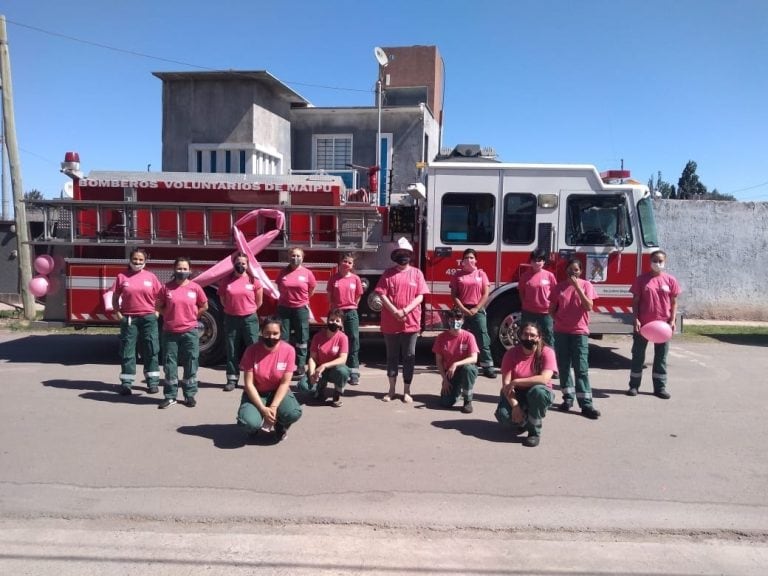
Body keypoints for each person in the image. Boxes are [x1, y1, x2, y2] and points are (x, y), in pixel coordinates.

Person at [374, 237, 429, 403]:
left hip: (411, 322)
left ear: (410, 255)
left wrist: (405, 310)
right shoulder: (388, 273)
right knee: (391, 357)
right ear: (394, 255)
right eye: (400, 253)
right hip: (390, 323)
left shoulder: (417, 273)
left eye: (406, 253)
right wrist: (395, 311)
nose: (403, 256)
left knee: (409, 356)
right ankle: (391, 390)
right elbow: (382, 295)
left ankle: (407, 391)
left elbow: (420, 296)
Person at [548, 257, 601, 419]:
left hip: (579, 332)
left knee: (581, 368)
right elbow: (551, 310)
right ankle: (568, 398)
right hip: (561, 332)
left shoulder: (586, 285)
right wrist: (559, 320)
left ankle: (586, 404)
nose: (573, 272)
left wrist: (577, 287)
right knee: (564, 367)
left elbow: (589, 306)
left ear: (581, 271)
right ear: (566, 271)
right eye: (570, 269)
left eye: (576, 270)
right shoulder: (559, 288)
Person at [237, 317, 303, 442]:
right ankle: (254, 425)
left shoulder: (289, 350)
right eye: (267, 333)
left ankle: (280, 425)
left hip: (277, 392)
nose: (271, 337)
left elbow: (285, 383)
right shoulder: (251, 350)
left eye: (275, 333)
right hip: (257, 393)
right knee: (248, 422)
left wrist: (273, 407)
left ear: (281, 334)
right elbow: (248, 384)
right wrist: (263, 409)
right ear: (261, 332)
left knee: (293, 413)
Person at [628, 249, 681, 399]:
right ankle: (633, 386)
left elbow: (674, 302)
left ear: (665, 262)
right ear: (650, 262)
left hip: (663, 325)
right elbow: (635, 302)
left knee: (661, 357)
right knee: (638, 355)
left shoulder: (670, 280)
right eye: (655, 260)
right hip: (643, 324)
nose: (657, 263)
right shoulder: (641, 280)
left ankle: (660, 388)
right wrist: (636, 318)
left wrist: (672, 320)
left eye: (660, 261)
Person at [156, 257, 208, 409]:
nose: (182, 271)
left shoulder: (195, 288)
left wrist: (193, 317)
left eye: (185, 269)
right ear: (174, 269)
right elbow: (158, 306)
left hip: (190, 332)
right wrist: (167, 314)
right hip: (170, 332)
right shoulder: (166, 288)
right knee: (170, 364)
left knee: (191, 362)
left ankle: (189, 395)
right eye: (179, 268)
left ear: (190, 271)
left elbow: (204, 305)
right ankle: (170, 396)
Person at [494, 321, 557, 447]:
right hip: (518, 393)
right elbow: (506, 385)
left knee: (537, 392)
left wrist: (517, 381)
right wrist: (515, 406)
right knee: (504, 416)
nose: (528, 338)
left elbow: (544, 379)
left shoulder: (547, 352)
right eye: (525, 334)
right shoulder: (511, 354)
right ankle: (524, 421)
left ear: (539, 337)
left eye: (532, 335)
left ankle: (534, 432)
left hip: (538, 391)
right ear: (520, 335)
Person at [111, 248, 163, 396]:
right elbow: (115, 297)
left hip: (148, 318)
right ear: (130, 259)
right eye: (135, 259)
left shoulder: (151, 277)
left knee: (151, 349)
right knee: (128, 351)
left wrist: (157, 312)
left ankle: (152, 382)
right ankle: (127, 383)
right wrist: (118, 313)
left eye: (141, 260)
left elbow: (160, 297)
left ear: (145, 261)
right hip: (129, 319)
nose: (138, 262)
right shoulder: (122, 277)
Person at [218, 252, 263, 392]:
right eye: (238, 262)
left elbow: (259, 301)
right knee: (232, 349)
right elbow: (223, 299)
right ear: (233, 264)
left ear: (247, 265)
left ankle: (255, 379)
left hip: (250, 319)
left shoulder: (253, 280)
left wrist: (248, 310)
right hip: (232, 319)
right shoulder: (226, 281)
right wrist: (232, 310)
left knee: (253, 349)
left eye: (243, 263)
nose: (240, 265)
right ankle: (232, 378)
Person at [450, 248, 495, 378]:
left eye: (471, 258)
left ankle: (487, 366)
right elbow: (454, 295)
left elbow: (485, 294)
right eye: (466, 258)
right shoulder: (457, 275)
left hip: (478, 310)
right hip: (460, 310)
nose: (469, 260)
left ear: (476, 260)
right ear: (462, 261)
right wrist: (463, 309)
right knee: (457, 336)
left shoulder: (481, 274)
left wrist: (476, 308)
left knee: (482, 336)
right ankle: (456, 364)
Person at [276, 247, 317, 376]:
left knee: (302, 339)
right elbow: (279, 287)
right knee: (283, 338)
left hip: (300, 309)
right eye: (293, 256)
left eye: (298, 256)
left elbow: (312, 289)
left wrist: (302, 300)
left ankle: (300, 366)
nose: (295, 258)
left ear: (302, 258)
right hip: (284, 309)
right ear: (289, 257)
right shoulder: (283, 272)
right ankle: (284, 364)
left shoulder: (307, 273)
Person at [327, 252, 364, 385]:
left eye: (350, 262)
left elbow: (358, 295)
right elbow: (330, 295)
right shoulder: (334, 278)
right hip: (337, 313)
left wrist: (354, 306)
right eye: (345, 261)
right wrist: (333, 311)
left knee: (353, 340)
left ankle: (354, 372)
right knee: (336, 341)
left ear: (352, 265)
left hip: (351, 312)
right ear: (340, 263)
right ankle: (338, 370)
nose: (347, 264)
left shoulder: (355, 279)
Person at [432, 308, 479, 413]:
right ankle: (456, 392)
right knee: (445, 403)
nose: (455, 321)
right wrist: (445, 380)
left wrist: (456, 364)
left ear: (462, 321)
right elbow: (439, 361)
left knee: (469, 369)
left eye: (458, 319)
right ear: (448, 321)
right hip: (450, 373)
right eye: (452, 319)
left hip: (464, 370)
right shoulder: (441, 337)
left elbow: (474, 358)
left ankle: (467, 400)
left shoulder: (469, 336)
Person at [303, 308, 350, 407]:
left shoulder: (343, 338)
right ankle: (319, 388)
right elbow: (312, 358)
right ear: (327, 320)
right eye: (332, 320)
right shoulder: (318, 336)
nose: (334, 322)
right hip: (319, 370)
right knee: (304, 387)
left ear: (341, 324)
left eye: (337, 321)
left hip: (334, 370)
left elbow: (343, 359)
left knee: (343, 371)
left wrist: (324, 365)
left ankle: (337, 393)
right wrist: (312, 374)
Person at [519, 248, 557, 347]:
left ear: (543, 262)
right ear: (531, 262)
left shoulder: (549, 276)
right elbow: (521, 291)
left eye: (539, 260)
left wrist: (552, 308)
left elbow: (554, 293)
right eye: (534, 260)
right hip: (528, 312)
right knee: (527, 337)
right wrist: (525, 303)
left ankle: (549, 359)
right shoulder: (525, 276)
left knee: (548, 337)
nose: (537, 263)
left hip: (545, 313)